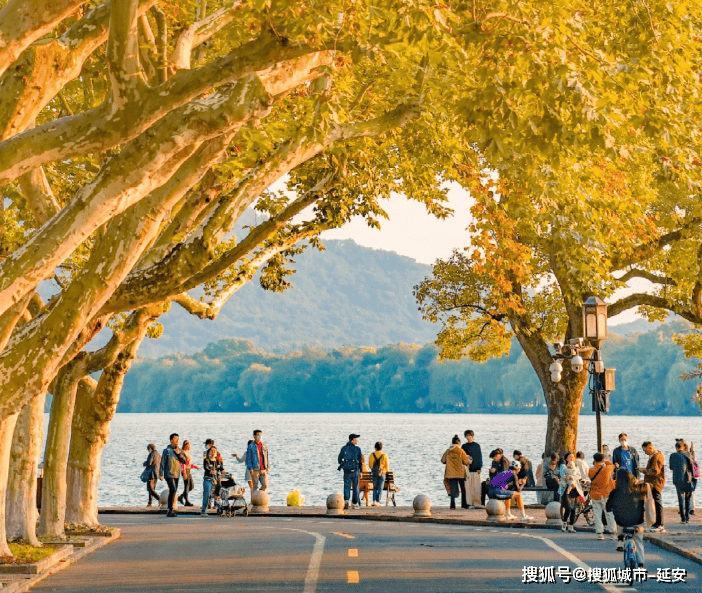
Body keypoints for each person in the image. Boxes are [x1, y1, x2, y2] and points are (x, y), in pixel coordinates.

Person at [607, 468, 647, 568]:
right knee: (638, 541)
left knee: (619, 524)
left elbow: (608, 507)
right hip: (637, 521)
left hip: (622, 521)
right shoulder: (638, 489)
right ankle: (641, 566)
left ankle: (620, 540)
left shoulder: (615, 492)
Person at [639, 441, 666, 533]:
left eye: (645, 450)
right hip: (653, 483)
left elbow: (655, 471)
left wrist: (644, 470)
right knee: (655, 503)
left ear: (650, 448)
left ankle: (660, 523)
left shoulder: (656, 456)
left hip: (656, 483)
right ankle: (657, 522)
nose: (645, 453)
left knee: (658, 503)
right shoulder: (655, 455)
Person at [589, 452, 616, 540]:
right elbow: (612, 465)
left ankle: (600, 533)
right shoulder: (607, 469)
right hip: (606, 494)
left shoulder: (591, 470)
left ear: (594, 460)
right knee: (609, 514)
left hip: (595, 494)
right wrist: (606, 461)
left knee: (597, 514)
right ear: (602, 459)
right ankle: (612, 532)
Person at [160, 433, 187, 517]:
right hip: (169, 474)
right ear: (171, 440)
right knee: (173, 490)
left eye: (178, 439)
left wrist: (179, 454)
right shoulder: (166, 450)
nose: (177, 441)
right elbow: (162, 463)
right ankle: (170, 509)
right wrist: (161, 474)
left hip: (176, 474)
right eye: (176, 439)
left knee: (174, 491)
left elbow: (184, 461)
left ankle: (171, 510)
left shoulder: (179, 450)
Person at [442, 435, 471, 510]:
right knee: (463, 489)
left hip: (450, 473)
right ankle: (464, 505)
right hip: (460, 473)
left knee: (453, 490)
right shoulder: (460, 451)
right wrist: (470, 460)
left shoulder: (448, 451)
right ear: (459, 443)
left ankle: (452, 505)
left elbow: (443, 460)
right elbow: (466, 461)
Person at [670, 440, 694, 524]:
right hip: (687, 479)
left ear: (676, 447)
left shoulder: (672, 455)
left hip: (677, 479)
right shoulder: (688, 454)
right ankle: (687, 517)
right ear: (683, 447)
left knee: (680, 499)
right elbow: (692, 466)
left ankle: (683, 518)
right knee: (688, 498)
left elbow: (671, 467)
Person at [338, 433, 363, 509]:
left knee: (346, 486)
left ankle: (346, 501)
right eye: (356, 439)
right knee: (355, 487)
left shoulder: (344, 448)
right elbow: (360, 461)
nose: (357, 441)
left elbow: (339, 459)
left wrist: (343, 464)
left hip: (346, 470)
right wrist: (361, 471)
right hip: (355, 470)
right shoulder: (357, 449)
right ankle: (354, 504)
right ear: (353, 439)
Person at [560, 460, 585, 533]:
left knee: (573, 509)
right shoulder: (564, 468)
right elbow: (563, 477)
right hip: (567, 491)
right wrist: (568, 477)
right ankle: (564, 524)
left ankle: (571, 526)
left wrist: (574, 478)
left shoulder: (576, 469)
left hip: (575, 490)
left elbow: (579, 476)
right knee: (568, 509)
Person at [201, 445, 223, 516]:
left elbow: (221, 468)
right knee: (207, 494)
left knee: (218, 494)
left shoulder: (217, 461)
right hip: (208, 479)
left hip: (217, 480)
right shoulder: (206, 460)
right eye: (211, 450)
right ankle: (204, 511)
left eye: (214, 451)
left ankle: (219, 508)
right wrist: (213, 474)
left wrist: (223, 473)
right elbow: (207, 468)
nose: (213, 452)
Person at [462, 430, 483, 507]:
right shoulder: (464, 446)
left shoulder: (477, 445)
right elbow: (463, 458)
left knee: (477, 487)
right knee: (469, 488)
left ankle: (477, 503)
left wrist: (480, 467)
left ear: (472, 436)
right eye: (467, 436)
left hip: (476, 469)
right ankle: (469, 503)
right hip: (468, 469)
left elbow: (480, 457)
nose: (468, 437)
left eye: (470, 436)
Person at [178, 440, 198, 507]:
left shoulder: (188, 452)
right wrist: (184, 473)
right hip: (185, 471)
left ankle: (181, 497)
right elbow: (182, 463)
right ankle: (186, 501)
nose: (190, 446)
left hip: (189, 470)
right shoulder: (183, 452)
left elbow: (188, 463)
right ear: (186, 445)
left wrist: (195, 466)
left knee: (191, 486)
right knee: (186, 486)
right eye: (190, 445)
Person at [368, 442, 389, 507]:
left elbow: (370, 465)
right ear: (381, 447)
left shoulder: (371, 455)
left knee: (375, 487)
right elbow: (387, 466)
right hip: (382, 473)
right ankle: (378, 501)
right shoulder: (384, 455)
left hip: (374, 472)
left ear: (375, 447)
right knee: (380, 487)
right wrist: (383, 471)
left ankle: (374, 501)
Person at [681, 440, 697, 515]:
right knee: (690, 492)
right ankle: (690, 508)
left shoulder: (687, 455)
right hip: (692, 475)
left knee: (688, 492)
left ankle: (690, 508)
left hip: (688, 475)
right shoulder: (690, 454)